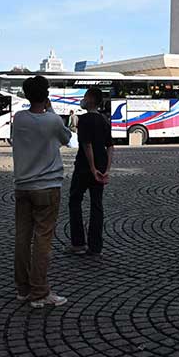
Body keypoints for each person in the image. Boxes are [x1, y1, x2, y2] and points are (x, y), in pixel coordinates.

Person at [11, 75, 72, 307]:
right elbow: (67, 138)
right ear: (46, 96)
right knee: (43, 239)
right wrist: (52, 110)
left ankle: (23, 288)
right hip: (47, 186)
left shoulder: (19, 118)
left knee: (22, 238)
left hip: (22, 186)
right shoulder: (53, 121)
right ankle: (40, 291)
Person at [66, 87, 112, 257]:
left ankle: (78, 243)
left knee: (75, 200)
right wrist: (106, 170)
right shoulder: (104, 120)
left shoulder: (84, 119)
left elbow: (87, 145)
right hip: (101, 167)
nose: (82, 100)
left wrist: (92, 168)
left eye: (85, 97)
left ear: (91, 100)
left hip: (85, 167)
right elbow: (111, 146)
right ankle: (95, 246)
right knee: (97, 205)